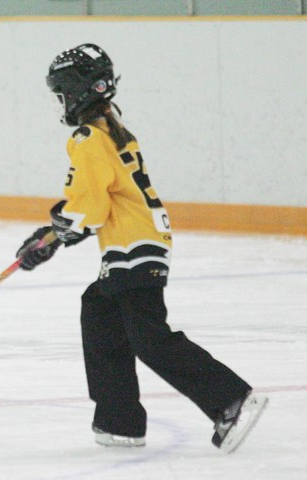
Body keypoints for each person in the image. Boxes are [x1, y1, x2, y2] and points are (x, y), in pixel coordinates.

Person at [16, 43, 267, 453]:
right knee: (99, 313)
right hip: (135, 243)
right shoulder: (110, 128)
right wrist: (55, 235)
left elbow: (90, 207)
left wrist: (54, 235)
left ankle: (230, 399)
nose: (59, 102)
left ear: (76, 91)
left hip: (133, 247)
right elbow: (101, 201)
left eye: (60, 93)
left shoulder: (88, 137)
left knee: (149, 338)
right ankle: (120, 421)